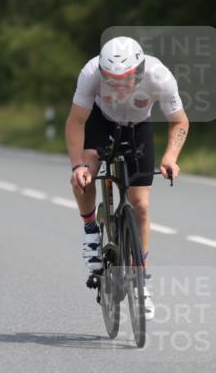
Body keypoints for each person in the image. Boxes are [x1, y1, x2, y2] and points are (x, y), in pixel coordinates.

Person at [65, 36, 190, 318]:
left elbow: (179, 121)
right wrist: (77, 166)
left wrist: (170, 157)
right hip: (101, 121)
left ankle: (139, 281)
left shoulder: (160, 76)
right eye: (110, 78)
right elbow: (76, 121)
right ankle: (90, 233)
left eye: (124, 79)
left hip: (138, 126)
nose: (118, 85)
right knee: (86, 174)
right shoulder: (90, 73)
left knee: (141, 205)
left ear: (140, 71)